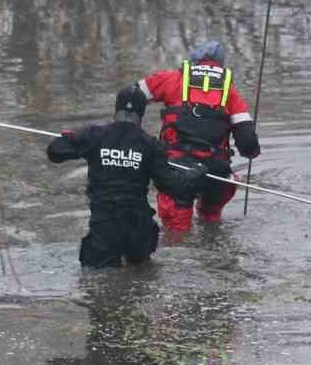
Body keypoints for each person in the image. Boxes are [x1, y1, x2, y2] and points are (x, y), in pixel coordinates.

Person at [47, 85, 202, 267]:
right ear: (141, 113)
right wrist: (194, 174)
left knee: (97, 283)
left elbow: (54, 153)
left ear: (116, 109)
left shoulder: (93, 135)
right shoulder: (151, 145)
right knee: (140, 279)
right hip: (138, 229)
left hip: (104, 229)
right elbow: (172, 186)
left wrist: (70, 139)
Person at [135, 41, 261, 231]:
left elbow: (129, 95)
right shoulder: (230, 94)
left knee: (176, 235)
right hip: (217, 175)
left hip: (177, 172)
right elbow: (248, 143)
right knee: (211, 220)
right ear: (221, 66)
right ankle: (209, 219)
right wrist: (252, 152)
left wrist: (131, 135)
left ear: (193, 62)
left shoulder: (172, 80)